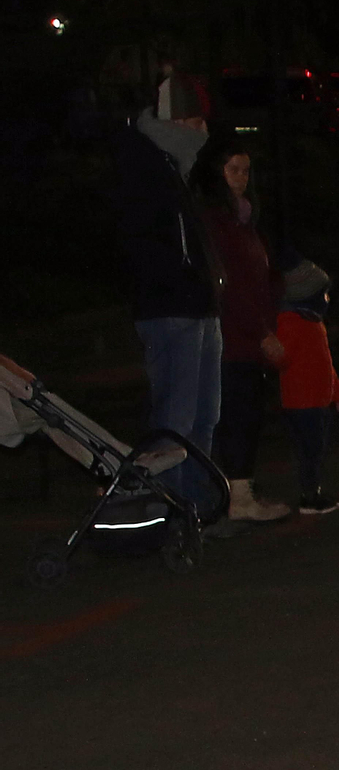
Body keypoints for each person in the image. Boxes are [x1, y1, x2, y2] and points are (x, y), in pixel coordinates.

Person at [112, 72, 224, 507]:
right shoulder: (147, 165)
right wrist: (182, 280)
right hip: (173, 308)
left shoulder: (169, 165)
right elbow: (147, 242)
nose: (204, 133)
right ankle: (168, 512)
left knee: (202, 418)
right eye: (198, 123)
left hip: (194, 304)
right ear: (179, 122)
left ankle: (196, 510)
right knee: (176, 422)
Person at [192, 135, 293, 524]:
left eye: (245, 170)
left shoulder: (243, 218)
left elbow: (256, 275)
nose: (241, 178)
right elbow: (230, 285)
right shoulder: (218, 221)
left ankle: (238, 490)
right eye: (233, 169)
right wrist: (260, 330)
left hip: (248, 333)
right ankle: (237, 494)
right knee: (239, 413)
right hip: (233, 337)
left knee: (246, 411)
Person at [273, 256, 339, 514]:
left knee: (315, 449)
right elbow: (281, 358)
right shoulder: (292, 324)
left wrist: (337, 393)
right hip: (302, 402)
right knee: (310, 450)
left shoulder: (312, 324)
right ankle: (309, 496)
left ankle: (313, 491)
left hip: (317, 400)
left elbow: (325, 365)